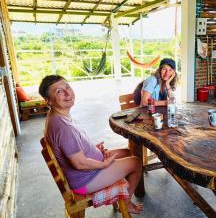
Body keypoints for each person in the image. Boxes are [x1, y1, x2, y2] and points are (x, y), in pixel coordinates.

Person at [39, 75, 143, 214]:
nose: (67, 93)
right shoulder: (62, 127)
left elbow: (74, 146)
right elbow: (80, 164)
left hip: (87, 169)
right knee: (136, 162)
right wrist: (104, 164)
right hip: (85, 180)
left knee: (127, 152)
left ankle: (122, 196)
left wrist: (94, 149)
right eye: (59, 91)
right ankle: (127, 203)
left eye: (67, 87)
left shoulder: (58, 115)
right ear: (48, 100)